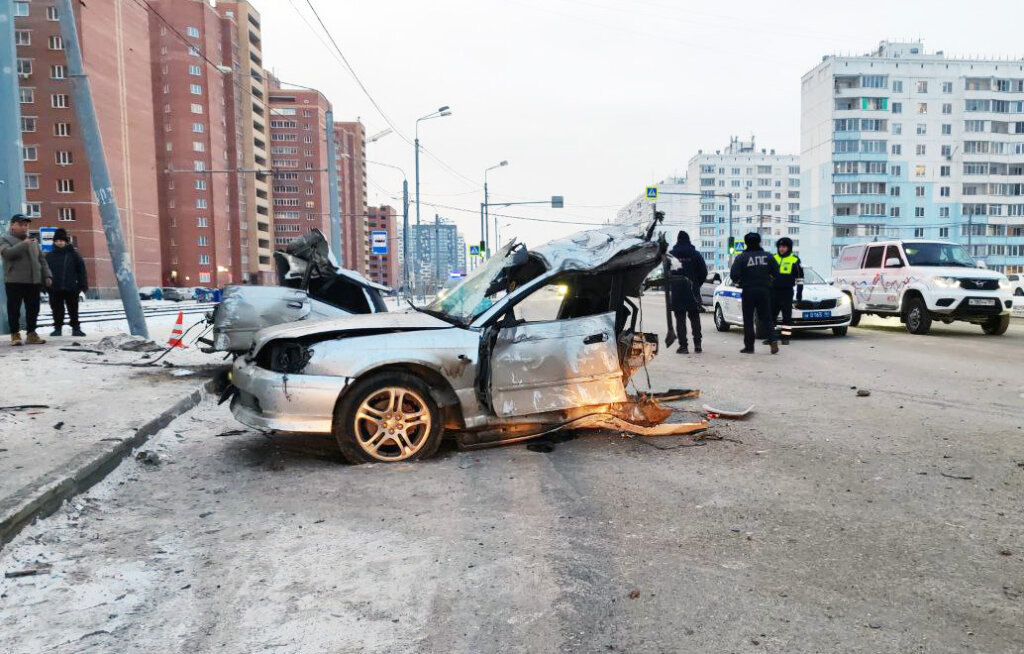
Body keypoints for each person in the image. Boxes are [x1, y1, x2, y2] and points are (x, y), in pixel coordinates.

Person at [0, 214, 52, 345]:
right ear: (13, 225)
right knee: (14, 309)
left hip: (33, 281)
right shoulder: (4, 239)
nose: (24, 227)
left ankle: (31, 333)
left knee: (34, 309)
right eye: (21, 224)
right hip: (14, 281)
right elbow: (8, 254)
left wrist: (47, 275)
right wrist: (24, 244)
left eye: (26, 225)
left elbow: (41, 260)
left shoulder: (33, 241)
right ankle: (15, 334)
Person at [729, 232, 779, 355]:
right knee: (767, 317)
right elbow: (777, 273)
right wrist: (769, 282)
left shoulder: (741, 257)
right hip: (764, 291)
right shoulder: (768, 256)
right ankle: (773, 341)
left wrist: (740, 281)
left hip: (748, 291)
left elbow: (733, 275)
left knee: (748, 319)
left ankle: (749, 347)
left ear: (746, 243)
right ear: (759, 241)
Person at [668, 230, 707, 354]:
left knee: (680, 319)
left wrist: (671, 284)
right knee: (694, 317)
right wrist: (696, 284)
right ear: (688, 240)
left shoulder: (672, 255)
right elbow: (704, 272)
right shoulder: (695, 254)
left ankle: (683, 346)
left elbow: (665, 272)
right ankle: (698, 345)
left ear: (678, 240)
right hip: (692, 291)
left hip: (677, 291)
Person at [44, 228, 88, 337]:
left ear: (66, 241)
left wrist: (82, 284)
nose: (59, 242)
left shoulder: (74, 255)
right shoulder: (49, 256)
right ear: (54, 242)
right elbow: (44, 271)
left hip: (71, 287)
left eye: (62, 240)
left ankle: (76, 328)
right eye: (57, 240)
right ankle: (57, 328)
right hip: (55, 288)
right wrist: (45, 285)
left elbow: (81, 271)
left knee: (73, 309)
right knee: (56, 309)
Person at [769, 236, 803, 345]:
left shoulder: (794, 260)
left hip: (787, 292)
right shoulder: (773, 258)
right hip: (773, 292)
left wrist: (799, 294)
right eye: (780, 246)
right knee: (771, 316)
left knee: (787, 317)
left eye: (784, 247)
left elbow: (800, 279)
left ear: (789, 248)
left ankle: (785, 338)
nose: (781, 249)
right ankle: (771, 338)